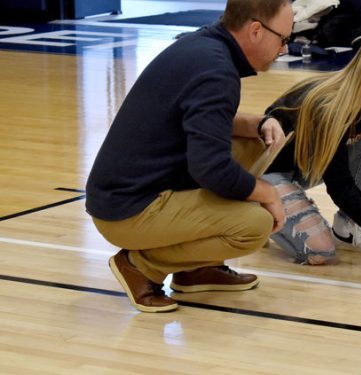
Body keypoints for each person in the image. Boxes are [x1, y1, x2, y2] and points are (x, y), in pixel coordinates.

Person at [85, 0, 293, 313]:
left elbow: (200, 121)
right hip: (128, 210)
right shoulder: (217, 71)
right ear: (254, 30)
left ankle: (196, 268)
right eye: (284, 39)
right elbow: (210, 169)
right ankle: (140, 266)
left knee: (254, 142)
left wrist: (259, 123)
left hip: (126, 192)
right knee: (254, 224)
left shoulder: (205, 46)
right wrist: (269, 193)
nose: (284, 50)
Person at [260, 39, 361, 265]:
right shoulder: (328, 107)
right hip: (266, 174)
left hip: (304, 167)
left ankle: (348, 226)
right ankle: (259, 213)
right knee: (320, 252)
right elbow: (340, 186)